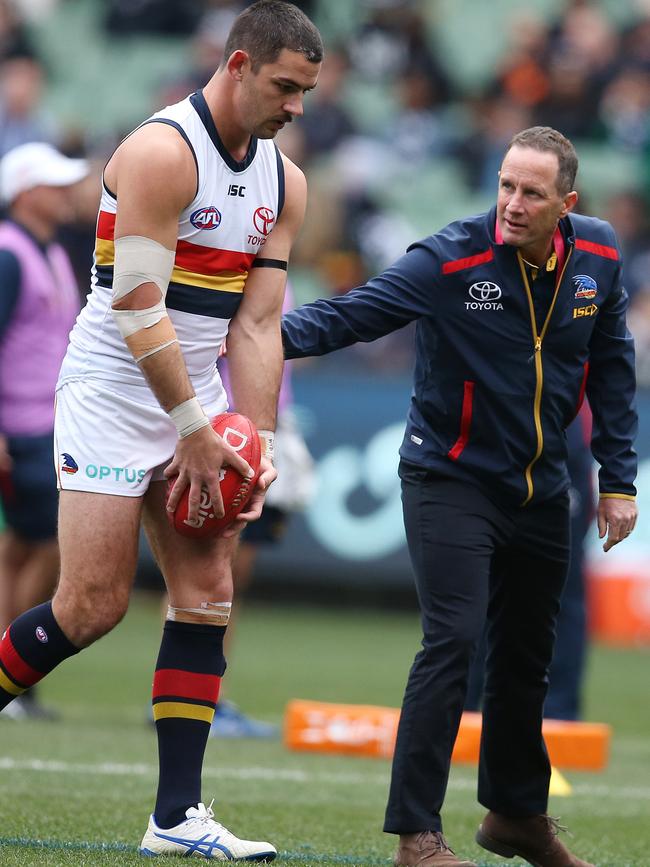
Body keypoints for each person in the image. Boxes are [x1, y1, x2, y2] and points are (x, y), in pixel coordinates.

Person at [0, 1, 322, 859]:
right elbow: (138, 308)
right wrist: (191, 424)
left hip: (198, 398)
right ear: (241, 64)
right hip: (114, 390)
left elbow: (257, 326)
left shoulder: (286, 181)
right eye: (286, 87)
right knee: (91, 604)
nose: (296, 106)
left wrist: (254, 440)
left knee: (207, 590)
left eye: (307, 93)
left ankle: (175, 817)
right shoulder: (158, 151)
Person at [282, 126, 638, 867]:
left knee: (525, 660)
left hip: (544, 488)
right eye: (505, 184)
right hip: (450, 478)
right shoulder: (451, 257)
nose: (511, 203)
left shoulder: (599, 256)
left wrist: (617, 478)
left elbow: (611, 364)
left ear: (566, 202)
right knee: (453, 640)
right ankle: (417, 835)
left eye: (531, 193)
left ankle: (514, 815)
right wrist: (251, 332)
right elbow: (351, 315)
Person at [0, 142, 88, 721]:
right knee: (49, 547)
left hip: (46, 420)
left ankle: (11, 679)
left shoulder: (51, 250)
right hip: (24, 423)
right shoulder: (10, 253)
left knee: (23, 550)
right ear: (26, 193)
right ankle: (14, 679)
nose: (64, 193)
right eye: (53, 184)